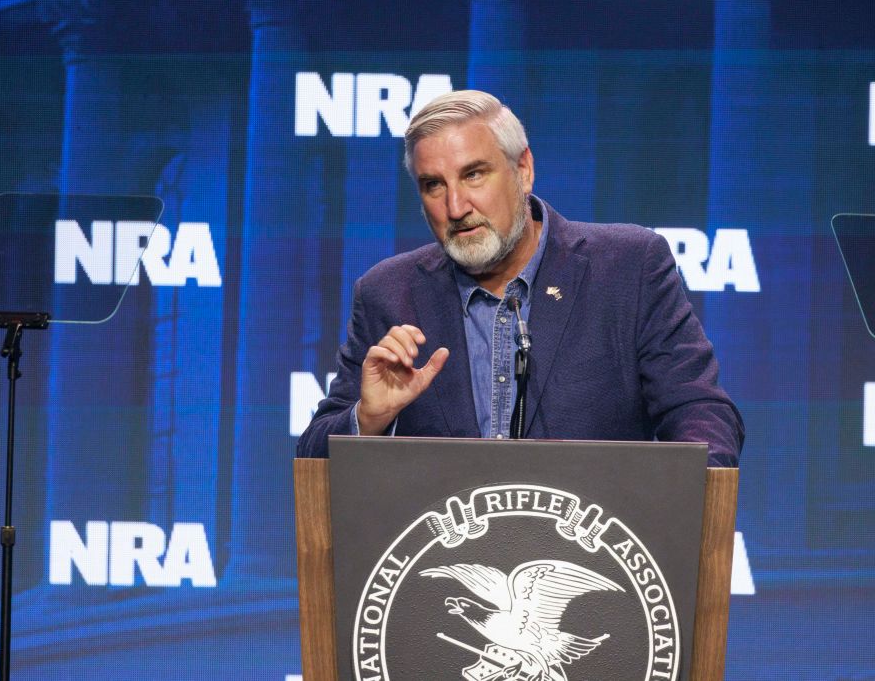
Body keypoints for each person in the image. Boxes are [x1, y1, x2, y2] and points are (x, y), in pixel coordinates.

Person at [297, 90, 743, 466]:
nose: (455, 206)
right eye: (434, 185)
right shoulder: (388, 293)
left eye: (474, 174)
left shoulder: (628, 267)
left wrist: (670, 512)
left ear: (523, 169)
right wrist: (367, 419)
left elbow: (701, 411)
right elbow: (315, 453)